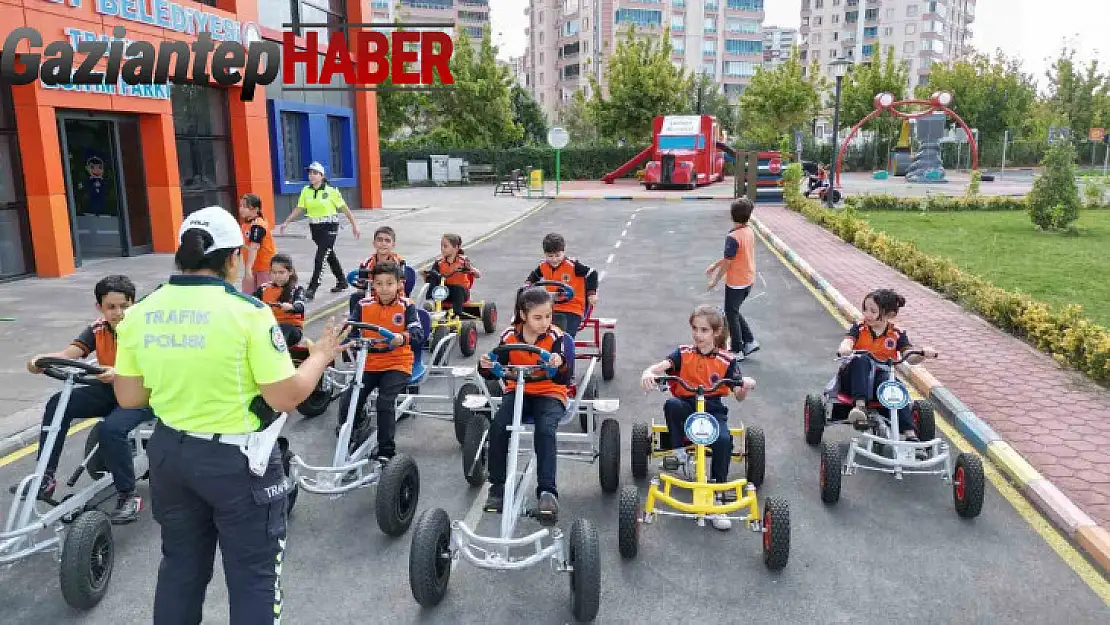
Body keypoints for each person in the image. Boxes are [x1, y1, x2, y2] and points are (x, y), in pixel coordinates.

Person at [112, 206, 347, 625]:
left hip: (169, 454)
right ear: (232, 258)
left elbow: (130, 396)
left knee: (180, 568)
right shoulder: (247, 313)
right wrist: (322, 357)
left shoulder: (141, 312)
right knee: (254, 577)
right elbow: (286, 395)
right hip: (236, 462)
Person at [14, 275, 153, 524]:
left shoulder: (146, 329)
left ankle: (128, 495)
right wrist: (39, 360)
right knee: (58, 403)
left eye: (124, 306)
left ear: (134, 305)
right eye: (111, 307)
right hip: (110, 390)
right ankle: (45, 477)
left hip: (141, 393)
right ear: (100, 307)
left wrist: (120, 373)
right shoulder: (97, 329)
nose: (118, 312)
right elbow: (69, 354)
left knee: (111, 428)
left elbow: (158, 368)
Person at [639, 304, 755, 531]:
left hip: (712, 409)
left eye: (704, 330)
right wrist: (649, 372)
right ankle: (679, 453)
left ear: (716, 333)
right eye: (695, 329)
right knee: (672, 404)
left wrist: (744, 386)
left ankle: (718, 493)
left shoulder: (726, 360)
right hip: (687, 404)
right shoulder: (683, 353)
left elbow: (739, 396)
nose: (698, 335)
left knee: (723, 440)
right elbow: (663, 366)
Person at [478, 287, 574, 525]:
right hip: (518, 390)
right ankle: (497, 487)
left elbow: (564, 375)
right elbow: (493, 368)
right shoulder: (509, 336)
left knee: (545, 430)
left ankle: (547, 492)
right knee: (499, 427)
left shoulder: (556, 337)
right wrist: (486, 364)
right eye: (538, 317)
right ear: (523, 315)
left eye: (548, 316)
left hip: (550, 393)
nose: (544, 323)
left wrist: (558, 362)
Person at [340, 260, 423, 458]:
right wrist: (350, 340)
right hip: (369, 363)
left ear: (399, 284)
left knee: (385, 403)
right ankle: (349, 438)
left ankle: (386, 450)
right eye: (379, 284)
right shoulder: (363, 305)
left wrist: (401, 337)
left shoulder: (406, 306)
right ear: (373, 285)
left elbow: (418, 333)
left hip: (397, 362)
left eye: (389, 283)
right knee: (350, 398)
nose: (384, 289)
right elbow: (351, 330)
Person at [836, 289, 936, 446]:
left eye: (873, 311)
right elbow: (848, 341)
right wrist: (845, 347)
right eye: (865, 309)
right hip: (853, 379)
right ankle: (860, 408)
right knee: (862, 359)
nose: (867, 314)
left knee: (894, 386)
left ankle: (910, 433)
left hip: (880, 382)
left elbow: (910, 356)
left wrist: (922, 354)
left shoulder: (896, 334)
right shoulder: (859, 327)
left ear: (889, 315)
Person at [276, 161, 361, 301]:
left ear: (322, 175)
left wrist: (354, 225)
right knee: (329, 255)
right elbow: (299, 208)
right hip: (315, 228)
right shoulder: (306, 190)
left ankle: (312, 289)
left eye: (315, 173)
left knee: (320, 258)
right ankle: (342, 281)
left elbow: (344, 208)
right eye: (310, 173)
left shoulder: (331, 191)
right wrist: (286, 221)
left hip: (330, 227)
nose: (312, 175)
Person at [706, 197, 760, 360]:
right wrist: (715, 264)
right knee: (733, 311)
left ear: (731, 215)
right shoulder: (748, 232)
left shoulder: (733, 237)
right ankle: (749, 341)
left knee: (731, 313)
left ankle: (737, 350)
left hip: (736, 282)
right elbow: (733, 256)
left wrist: (715, 280)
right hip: (748, 279)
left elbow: (728, 262)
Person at [523, 232, 597, 338]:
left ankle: (563, 351)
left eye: (557, 255)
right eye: (550, 256)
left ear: (564, 252)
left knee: (564, 335)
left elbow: (592, 273)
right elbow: (534, 276)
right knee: (538, 329)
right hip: (550, 306)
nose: (554, 259)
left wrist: (591, 293)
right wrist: (527, 285)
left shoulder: (573, 266)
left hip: (573, 307)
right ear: (545, 254)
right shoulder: (543, 266)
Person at [350, 225, 408, 318]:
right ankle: (354, 327)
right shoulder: (366, 263)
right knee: (355, 297)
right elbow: (361, 286)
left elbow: (401, 285)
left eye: (387, 241)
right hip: (372, 296)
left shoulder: (399, 262)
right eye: (380, 240)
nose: (383, 243)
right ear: (374, 243)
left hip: (393, 296)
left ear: (393, 245)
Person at [253, 253, 308, 349]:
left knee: (280, 330)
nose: (277, 276)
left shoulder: (297, 289)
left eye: (281, 272)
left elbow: (300, 306)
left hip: (291, 329)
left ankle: (276, 354)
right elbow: (251, 301)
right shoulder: (263, 288)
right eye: (274, 272)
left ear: (290, 272)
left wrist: (291, 307)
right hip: (269, 326)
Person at [422, 233, 482, 317]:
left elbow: (478, 275)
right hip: (445, 291)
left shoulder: (462, 261)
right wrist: (425, 275)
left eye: (445, 246)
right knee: (434, 278)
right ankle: (431, 302)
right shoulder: (439, 263)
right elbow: (431, 280)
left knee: (458, 289)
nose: (442, 249)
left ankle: (456, 314)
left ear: (456, 248)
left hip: (461, 292)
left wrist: (471, 270)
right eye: (441, 246)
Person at [238, 193, 276, 294]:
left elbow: (254, 247)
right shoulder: (246, 224)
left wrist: (248, 269)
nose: (241, 209)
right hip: (253, 267)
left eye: (245, 207)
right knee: (248, 295)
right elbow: (246, 245)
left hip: (263, 268)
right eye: (240, 206)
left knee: (264, 296)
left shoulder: (258, 225)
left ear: (256, 209)